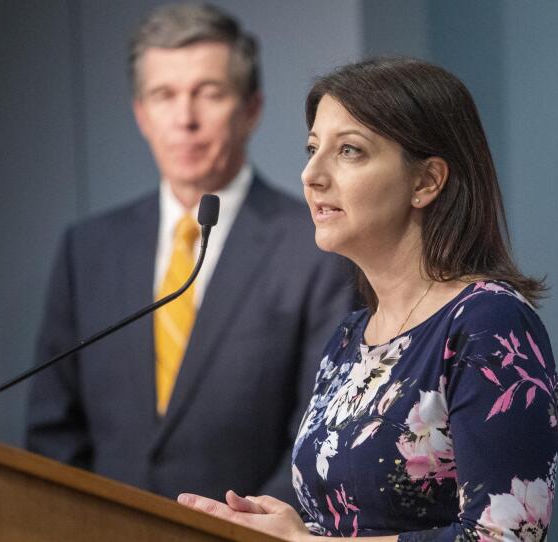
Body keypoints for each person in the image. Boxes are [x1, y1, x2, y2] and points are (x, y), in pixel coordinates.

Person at [178, 57, 558, 542]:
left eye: (350, 151)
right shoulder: (349, 337)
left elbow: (505, 538)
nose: (311, 174)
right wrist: (284, 529)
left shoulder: (488, 323)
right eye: (312, 148)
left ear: (426, 182)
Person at [25, 3, 352, 504]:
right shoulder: (86, 250)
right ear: (141, 114)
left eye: (209, 94)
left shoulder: (316, 246)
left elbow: (317, 440)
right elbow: (52, 434)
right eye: (164, 95)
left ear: (250, 110)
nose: (185, 119)